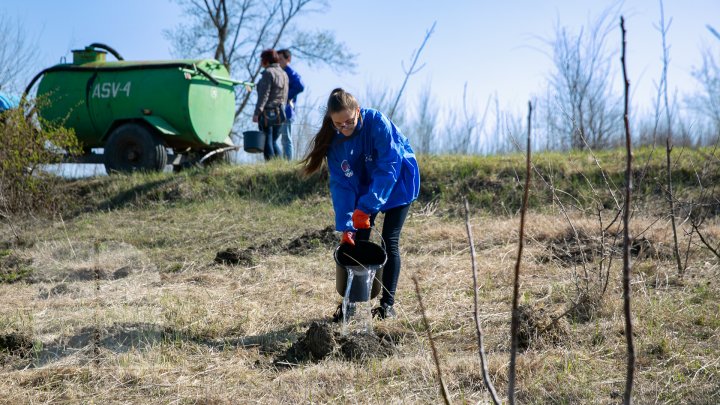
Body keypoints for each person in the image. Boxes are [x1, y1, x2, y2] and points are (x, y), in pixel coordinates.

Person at [301, 88, 420, 319]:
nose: (343, 128)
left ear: (358, 111)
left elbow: (388, 167)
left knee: (389, 239)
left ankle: (387, 305)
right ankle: (350, 304)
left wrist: (367, 206)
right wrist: (348, 225)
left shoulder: (377, 122)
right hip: (366, 185)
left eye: (349, 122)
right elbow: (341, 185)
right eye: (338, 124)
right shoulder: (335, 142)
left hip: (397, 182)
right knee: (358, 242)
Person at [253, 49, 288, 161]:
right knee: (273, 140)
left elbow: (264, 95)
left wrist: (257, 112)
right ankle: (279, 165)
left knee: (267, 139)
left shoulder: (268, 73)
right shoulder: (284, 73)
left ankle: (270, 165)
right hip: (280, 111)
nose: (261, 62)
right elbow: (286, 95)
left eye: (262, 59)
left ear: (266, 60)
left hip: (268, 112)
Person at [277, 49, 305, 160]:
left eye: (281, 59)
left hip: (287, 111)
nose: (279, 62)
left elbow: (300, 85)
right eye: (277, 59)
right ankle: (280, 162)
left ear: (288, 59)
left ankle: (287, 162)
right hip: (279, 111)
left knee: (286, 139)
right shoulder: (280, 73)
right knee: (276, 139)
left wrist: (286, 96)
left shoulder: (289, 72)